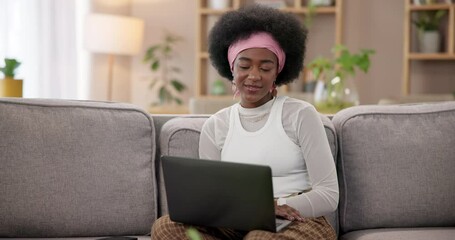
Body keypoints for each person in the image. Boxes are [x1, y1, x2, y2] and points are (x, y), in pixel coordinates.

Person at [152, 4, 338, 240]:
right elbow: (213, 195)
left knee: (259, 238)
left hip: (298, 219)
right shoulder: (216, 126)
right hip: (234, 222)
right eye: (245, 65)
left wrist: (275, 206)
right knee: (166, 227)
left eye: (265, 67)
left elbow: (329, 194)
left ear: (277, 73)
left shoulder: (301, 115)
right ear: (232, 68)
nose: (253, 75)